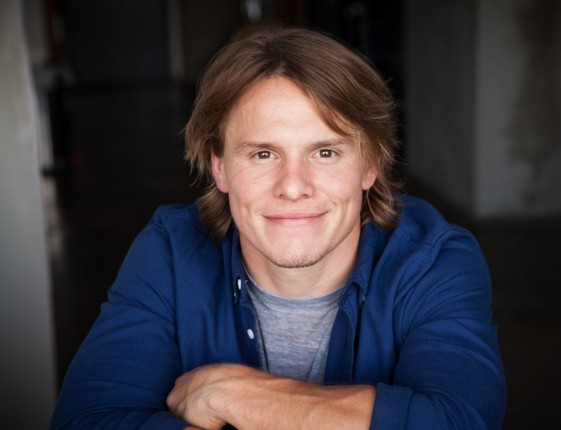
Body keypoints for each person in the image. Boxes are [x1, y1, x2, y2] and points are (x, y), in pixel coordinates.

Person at [50, 25, 506, 429]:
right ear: (219, 167)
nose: (293, 187)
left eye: (325, 152)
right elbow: (85, 419)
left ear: (370, 165)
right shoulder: (170, 251)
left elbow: (458, 420)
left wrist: (234, 395)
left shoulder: (435, 259)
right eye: (263, 154)